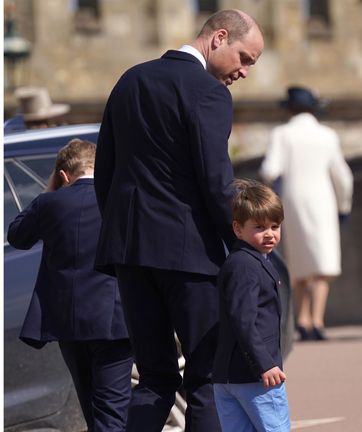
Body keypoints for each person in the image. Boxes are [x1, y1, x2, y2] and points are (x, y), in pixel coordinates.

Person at [94, 9, 265, 431]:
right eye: (244, 58)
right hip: (190, 257)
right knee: (205, 379)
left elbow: (105, 173)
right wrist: (242, 241)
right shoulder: (208, 92)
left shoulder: (131, 80)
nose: (244, 72)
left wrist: (123, 234)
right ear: (218, 38)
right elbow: (215, 182)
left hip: (131, 252)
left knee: (154, 378)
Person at [8, 139, 133, 431]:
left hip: (68, 323)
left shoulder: (49, 203)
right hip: (115, 320)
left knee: (91, 407)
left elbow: (17, 236)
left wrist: (48, 190)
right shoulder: (120, 198)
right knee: (112, 412)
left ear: (63, 175)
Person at [260, 86, 353, 342]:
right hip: (323, 200)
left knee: (298, 265)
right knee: (322, 264)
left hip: (292, 200)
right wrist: (343, 206)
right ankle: (317, 320)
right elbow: (343, 177)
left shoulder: (282, 133)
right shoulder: (327, 135)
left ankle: (302, 319)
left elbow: (269, 169)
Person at [213, 179, 290, 432]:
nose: (269, 233)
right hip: (255, 377)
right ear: (237, 229)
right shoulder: (246, 265)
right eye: (259, 227)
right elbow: (243, 320)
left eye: (275, 226)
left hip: (229, 376)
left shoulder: (241, 262)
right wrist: (264, 364)